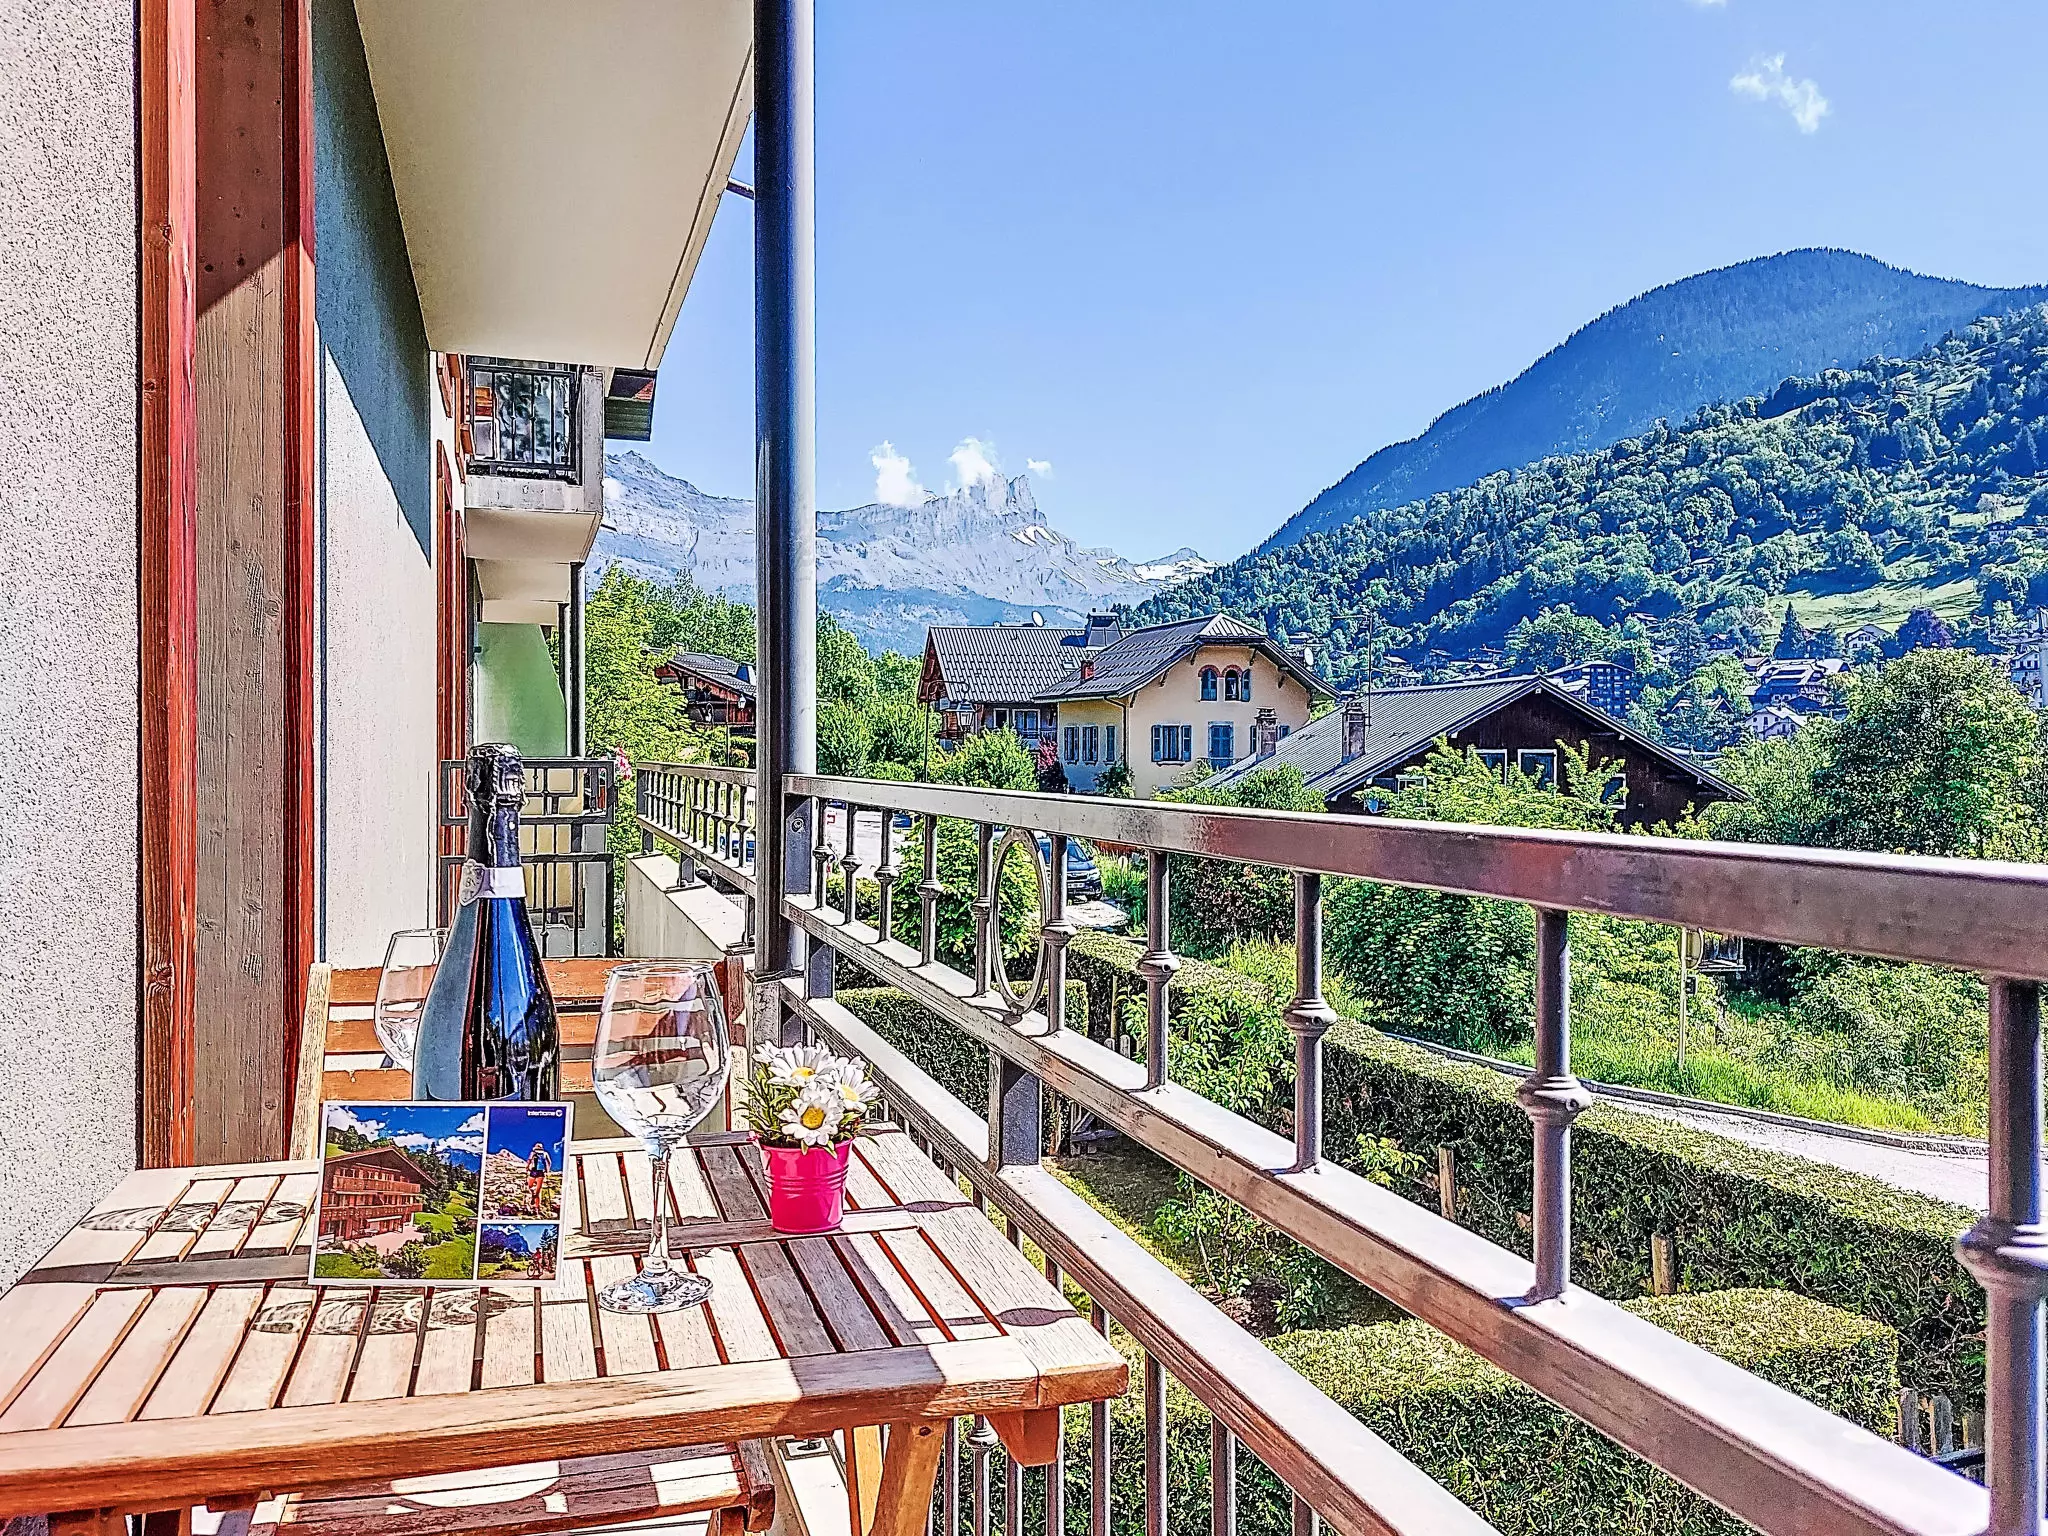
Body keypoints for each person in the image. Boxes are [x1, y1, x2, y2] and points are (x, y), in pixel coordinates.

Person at [525, 1142, 552, 1214]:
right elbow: (549, 1162)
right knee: (538, 1190)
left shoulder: (533, 1153)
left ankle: (533, 1194)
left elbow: (529, 1160)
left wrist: (527, 1167)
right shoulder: (545, 1153)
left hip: (533, 1171)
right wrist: (547, 1170)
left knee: (529, 1186)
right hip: (541, 1172)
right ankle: (537, 1208)